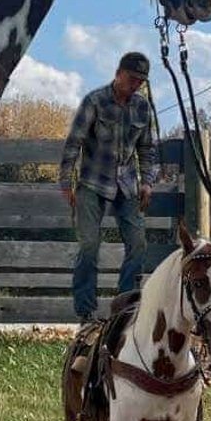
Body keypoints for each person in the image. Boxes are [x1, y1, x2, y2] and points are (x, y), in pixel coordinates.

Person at [59, 52, 158, 323]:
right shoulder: (94, 101)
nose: (135, 84)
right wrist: (66, 182)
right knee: (89, 245)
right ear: (119, 73)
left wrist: (148, 182)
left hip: (127, 185)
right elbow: (73, 143)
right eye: (132, 78)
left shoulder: (142, 108)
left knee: (138, 243)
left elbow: (148, 149)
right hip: (92, 182)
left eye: (141, 81)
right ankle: (85, 312)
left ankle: (124, 308)